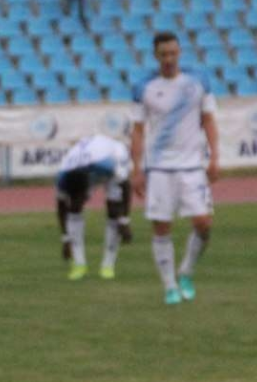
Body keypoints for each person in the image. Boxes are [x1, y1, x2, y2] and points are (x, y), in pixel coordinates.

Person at [130, 31, 219, 305]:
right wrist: (136, 169)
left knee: (203, 223)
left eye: (172, 53)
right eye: (163, 54)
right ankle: (169, 286)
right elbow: (138, 130)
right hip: (159, 167)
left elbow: (208, 120)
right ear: (155, 56)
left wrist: (215, 157)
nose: (169, 59)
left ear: (179, 52)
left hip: (192, 166)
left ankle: (186, 272)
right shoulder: (144, 87)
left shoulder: (198, 81)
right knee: (161, 227)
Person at [56, 134, 134, 281]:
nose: (83, 201)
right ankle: (79, 265)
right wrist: (65, 238)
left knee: (113, 210)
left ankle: (108, 266)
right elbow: (61, 207)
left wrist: (125, 219)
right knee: (74, 208)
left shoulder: (110, 165)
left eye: (83, 197)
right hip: (86, 165)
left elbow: (126, 186)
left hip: (110, 156)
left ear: (87, 188)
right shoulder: (63, 175)